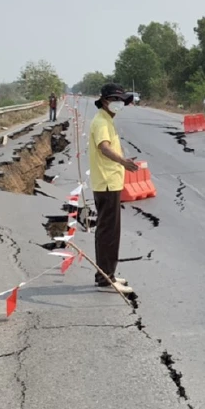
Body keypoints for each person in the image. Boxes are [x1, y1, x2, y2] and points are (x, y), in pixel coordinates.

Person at [89, 83, 139, 292]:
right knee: (108, 231)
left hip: (109, 182)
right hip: (107, 183)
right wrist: (123, 162)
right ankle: (105, 277)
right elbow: (104, 147)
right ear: (106, 101)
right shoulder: (101, 121)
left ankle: (107, 273)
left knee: (109, 230)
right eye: (117, 100)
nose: (120, 104)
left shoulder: (107, 119)